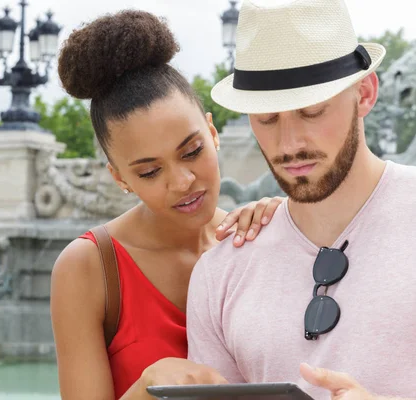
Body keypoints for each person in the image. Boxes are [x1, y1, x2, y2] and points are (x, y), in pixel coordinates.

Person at [185, 0, 416, 398]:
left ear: (365, 94)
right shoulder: (220, 270)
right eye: (267, 118)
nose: (288, 144)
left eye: (312, 111)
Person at [49, 10, 284, 400]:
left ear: (212, 133)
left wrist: (291, 228)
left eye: (192, 151)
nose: (182, 182)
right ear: (119, 177)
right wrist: (145, 389)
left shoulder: (259, 235)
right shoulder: (88, 269)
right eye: (149, 172)